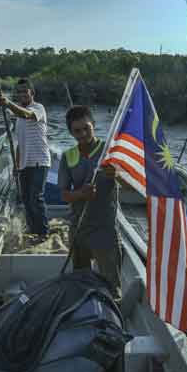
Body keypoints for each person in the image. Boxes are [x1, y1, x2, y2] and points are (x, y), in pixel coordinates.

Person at [58, 105, 121, 300]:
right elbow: (65, 195)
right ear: (70, 132)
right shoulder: (67, 157)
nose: (83, 134)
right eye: (77, 131)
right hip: (79, 228)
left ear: (94, 125)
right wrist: (81, 194)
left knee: (111, 287)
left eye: (87, 128)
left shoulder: (109, 152)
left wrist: (117, 174)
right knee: (81, 281)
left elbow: (133, 185)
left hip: (105, 229)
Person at [0, 78, 51, 237]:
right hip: (24, 163)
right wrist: (16, 165)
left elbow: (27, 115)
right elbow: (20, 144)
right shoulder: (18, 117)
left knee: (36, 198)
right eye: (19, 91)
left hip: (39, 161)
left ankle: (43, 232)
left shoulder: (38, 108)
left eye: (25, 91)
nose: (22, 94)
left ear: (32, 93)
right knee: (26, 200)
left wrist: (8, 104)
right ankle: (33, 229)